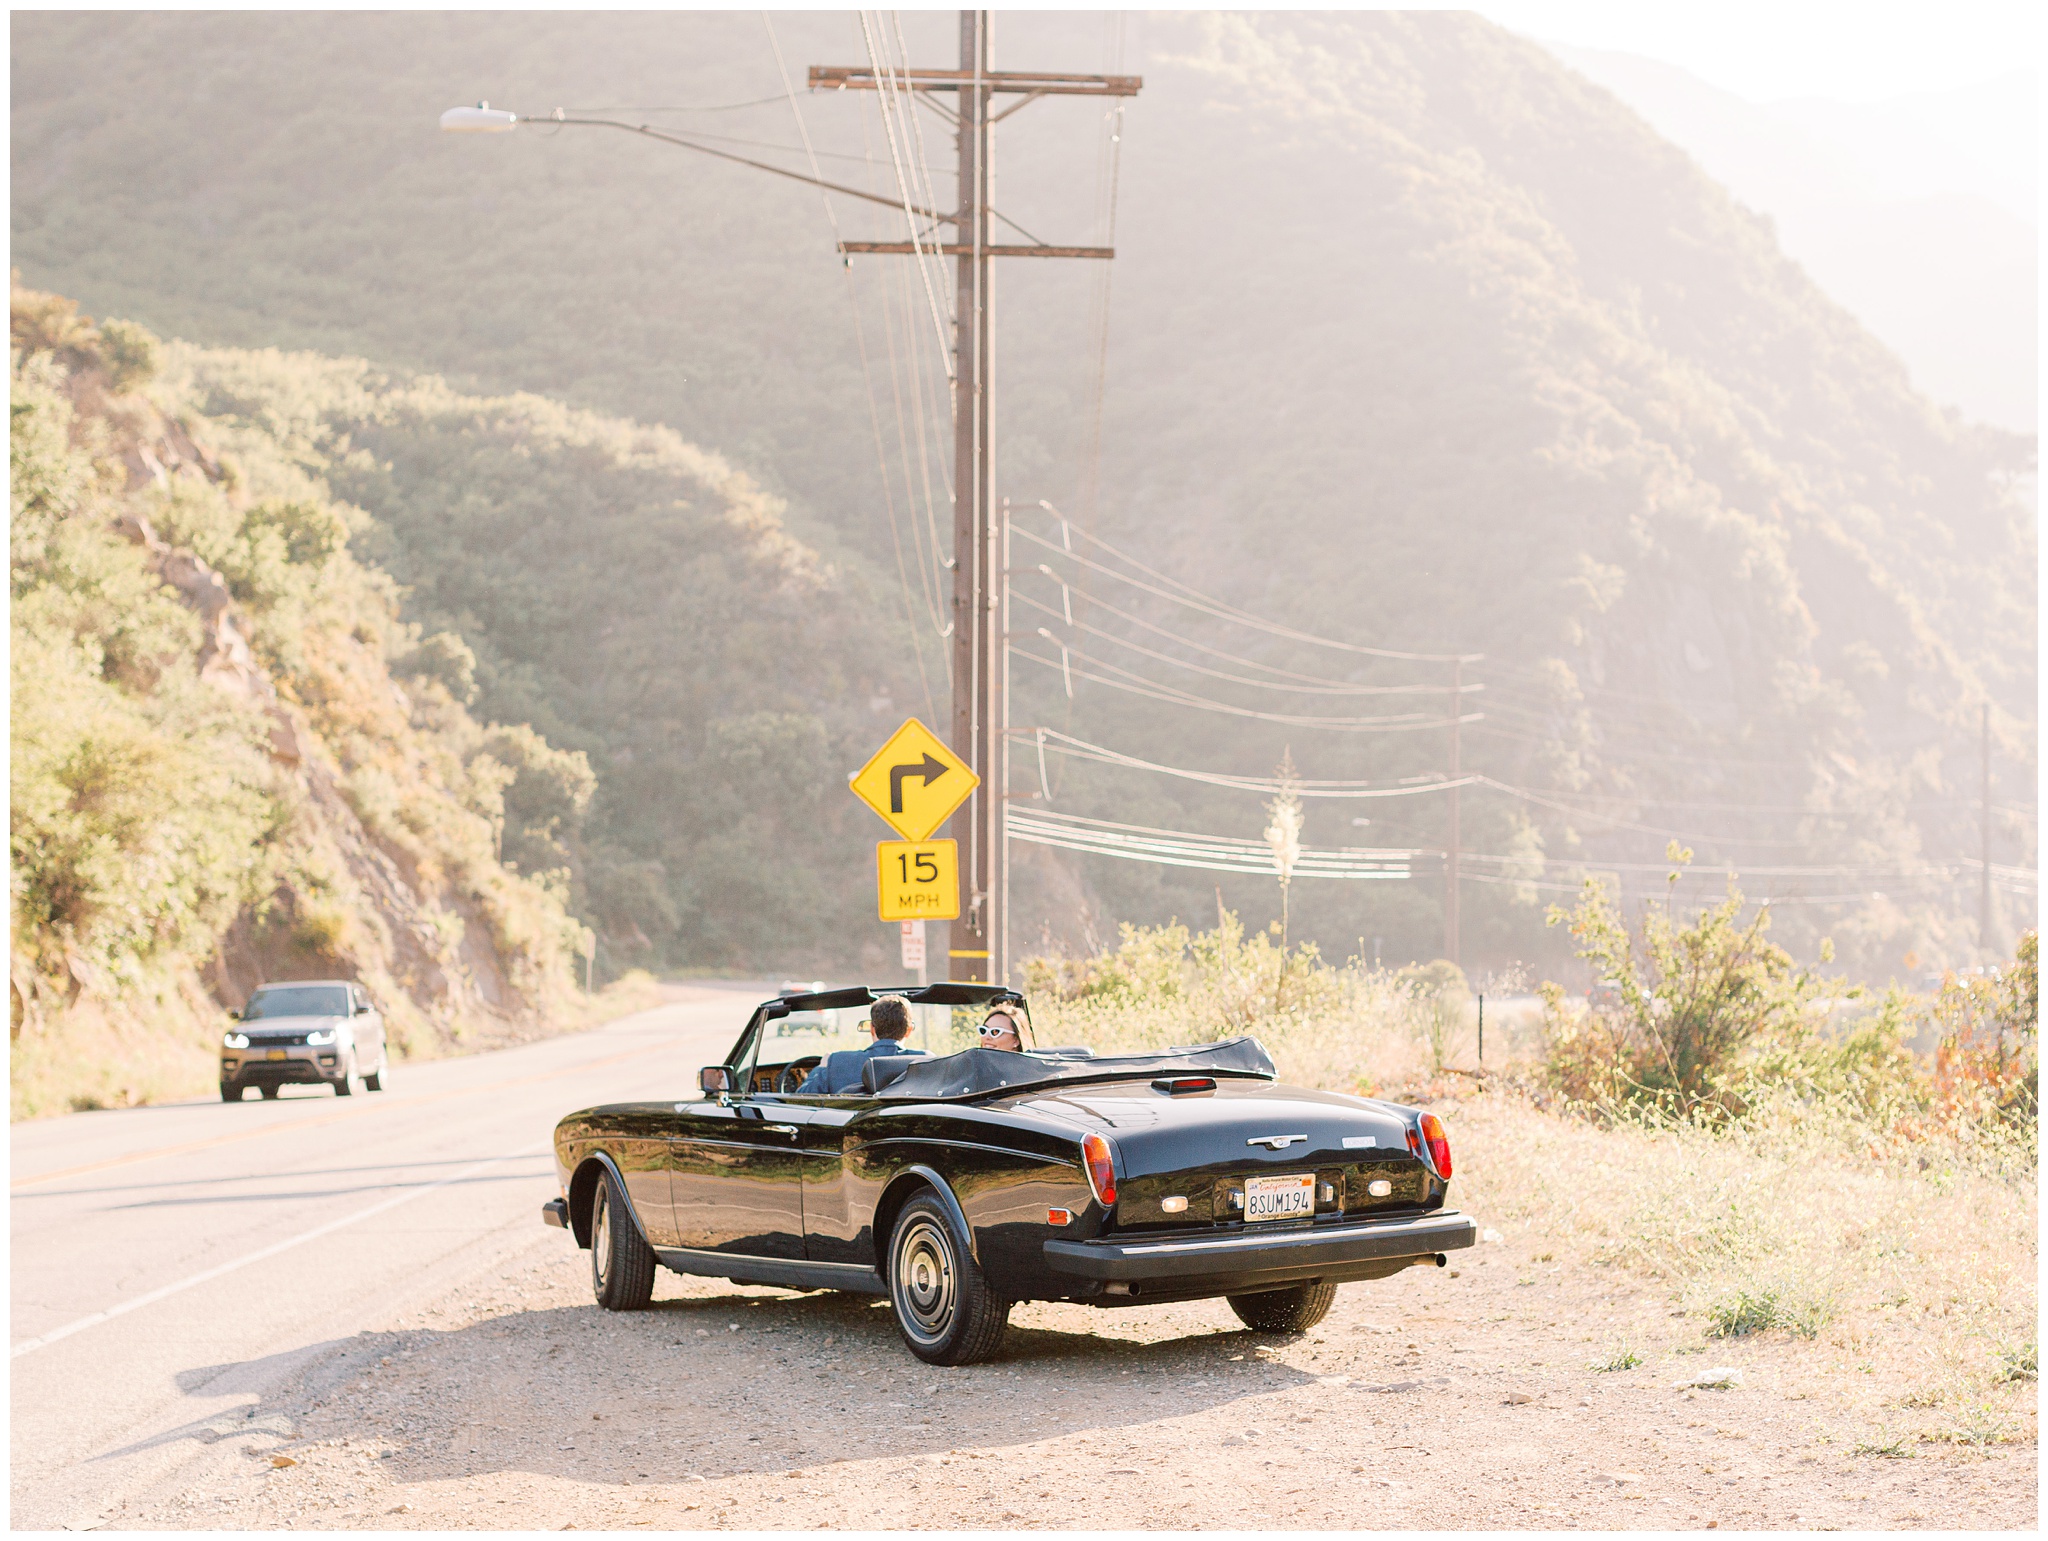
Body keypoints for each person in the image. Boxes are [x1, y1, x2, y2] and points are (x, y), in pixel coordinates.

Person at [799, 995, 924, 1093]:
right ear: (908, 1030)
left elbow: (801, 1099)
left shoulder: (837, 1062)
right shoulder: (926, 1062)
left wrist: (822, 1067)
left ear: (872, 1029)